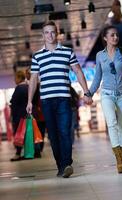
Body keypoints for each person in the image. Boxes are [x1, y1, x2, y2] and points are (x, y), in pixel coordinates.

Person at [26, 21, 92, 178]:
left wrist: (86, 91)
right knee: (53, 135)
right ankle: (61, 166)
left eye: (52, 32)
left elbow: (78, 71)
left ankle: (67, 164)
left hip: (63, 98)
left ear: (57, 33)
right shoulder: (37, 56)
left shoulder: (67, 52)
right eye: (47, 32)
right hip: (46, 101)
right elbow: (34, 79)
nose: (50, 35)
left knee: (64, 131)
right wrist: (29, 101)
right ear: (42, 36)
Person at [89, 25, 122, 173]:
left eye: (117, 35)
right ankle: (119, 159)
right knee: (111, 123)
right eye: (112, 35)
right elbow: (97, 77)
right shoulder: (100, 55)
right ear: (105, 38)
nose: (116, 38)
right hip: (106, 94)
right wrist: (90, 93)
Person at [10, 70, 28, 161]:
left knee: (18, 135)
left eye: (15, 78)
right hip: (26, 114)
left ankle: (18, 153)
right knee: (25, 135)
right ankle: (27, 153)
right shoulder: (27, 87)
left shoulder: (19, 88)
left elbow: (13, 102)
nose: (14, 80)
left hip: (19, 115)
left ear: (19, 78)